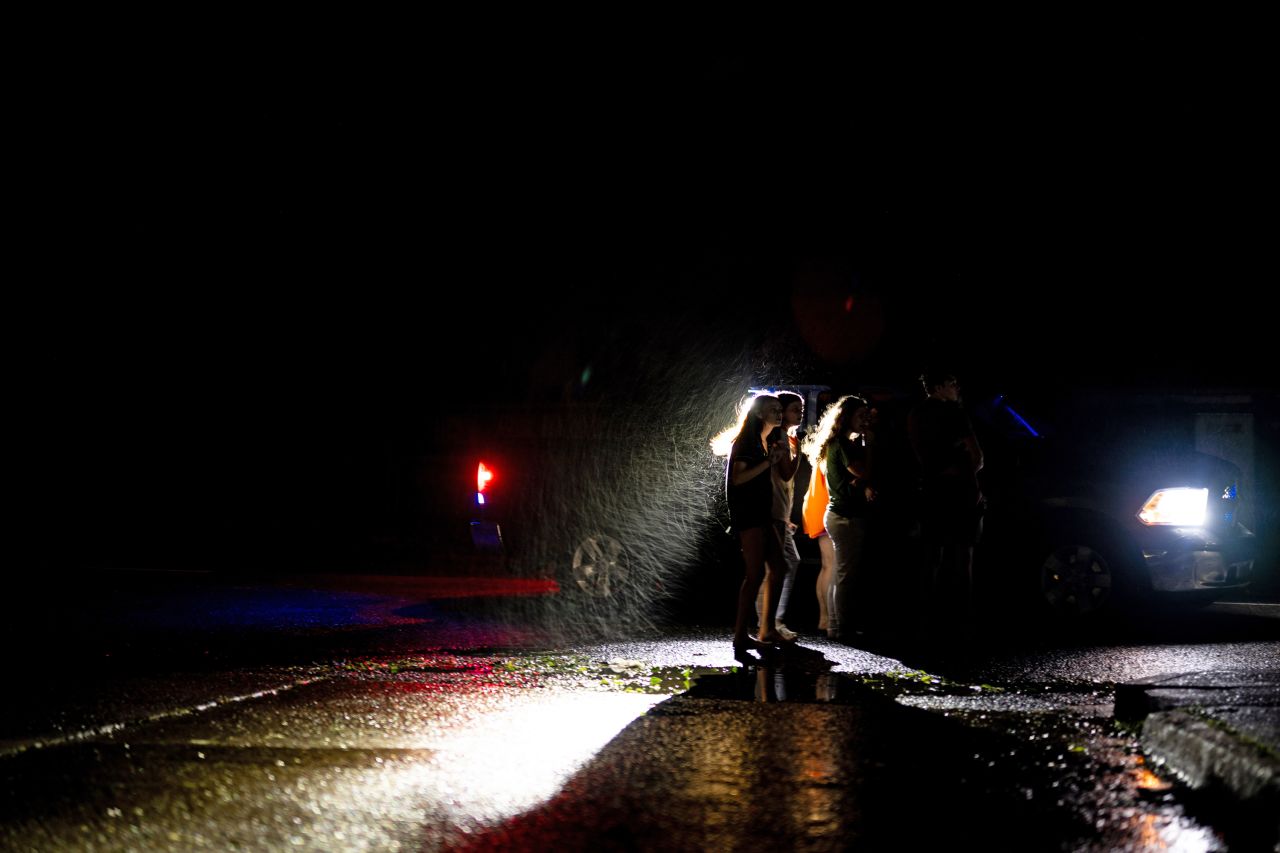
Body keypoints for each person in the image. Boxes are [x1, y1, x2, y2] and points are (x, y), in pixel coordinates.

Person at [907, 368, 984, 640]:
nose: (957, 388)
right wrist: (967, 472)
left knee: (931, 555)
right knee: (963, 555)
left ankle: (925, 616)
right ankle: (961, 617)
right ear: (939, 387)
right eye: (952, 383)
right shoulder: (954, 413)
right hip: (959, 492)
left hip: (931, 490)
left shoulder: (916, 415)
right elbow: (977, 457)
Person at [716, 393, 792, 659]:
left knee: (779, 566)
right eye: (774, 409)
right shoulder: (748, 441)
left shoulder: (763, 440)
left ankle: (766, 629)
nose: (779, 413)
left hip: (761, 513)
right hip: (748, 515)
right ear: (759, 414)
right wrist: (768, 462)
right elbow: (738, 478)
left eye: (780, 409)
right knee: (755, 573)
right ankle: (741, 636)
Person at [806, 395, 877, 642]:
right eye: (861, 415)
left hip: (839, 514)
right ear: (847, 417)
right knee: (846, 574)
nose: (865, 420)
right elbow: (864, 472)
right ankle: (842, 627)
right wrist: (871, 443)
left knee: (841, 572)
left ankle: (837, 625)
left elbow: (856, 478)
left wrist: (860, 483)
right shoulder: (844, 445)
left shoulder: (839, 443)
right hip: (845, 516)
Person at [755, 391, 804, 642]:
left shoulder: (785, 436)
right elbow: (786, 475)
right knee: (779, 565)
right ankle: (770, 622)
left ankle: (771, 621)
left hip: (779, 510)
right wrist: (800, 455)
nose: (800, 413)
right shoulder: (781, 436)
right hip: (773, 509)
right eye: (796, 408)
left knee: (783, 564)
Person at [800, 452, 836, 633]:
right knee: (831, 565)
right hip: (824, 506)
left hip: (816, 505)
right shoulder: (834, 448)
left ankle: (825, 618)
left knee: (827, 565)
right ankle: (827, 618)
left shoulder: (823, 448)